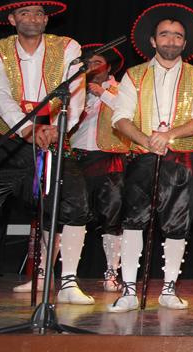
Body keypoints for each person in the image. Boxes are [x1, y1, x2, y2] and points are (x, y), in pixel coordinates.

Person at [0, 0, 87, 308]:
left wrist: (59, 128)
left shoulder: (68, 47)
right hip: (11, 137)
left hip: (55, 132)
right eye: (25, 13)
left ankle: (67, 281)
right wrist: (27, 128)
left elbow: (77, 91)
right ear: (12, 20)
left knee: (75, 206)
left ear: (46, 18)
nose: (33, 18)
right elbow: (0, 93)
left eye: (38, 12)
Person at [107, 3, 193, 312]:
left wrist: (169, 136)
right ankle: (128, 290)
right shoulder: (133, 75)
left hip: (182, 157)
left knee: (178, 223)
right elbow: (120, 118)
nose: (171, 41)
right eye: (164, 35)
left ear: (184, 42)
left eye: (177, 36)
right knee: (132, 221)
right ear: (153, 41)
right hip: (142, 155)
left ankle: (168, 288)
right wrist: (147, 140)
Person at [70, 44, 130, 293]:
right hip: (76, 156)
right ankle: (59, 275)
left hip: (110, 156)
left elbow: (133, 113)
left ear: (109, 67)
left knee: (111, 216)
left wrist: (102, 94)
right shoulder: (75, 89)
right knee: (68, 214)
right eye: (88, 63)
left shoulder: (123, 87)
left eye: (97, 63)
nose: (92, 68)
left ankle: (112, 273)